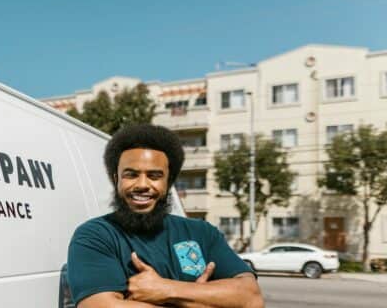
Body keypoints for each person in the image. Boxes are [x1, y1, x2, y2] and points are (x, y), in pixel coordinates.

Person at [67, 124, 264, 308]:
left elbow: (252, 298)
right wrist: (203, 298)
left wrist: (165, 289)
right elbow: (100, 305)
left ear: (168, 182)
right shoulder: (95, 235)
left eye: (154, 176)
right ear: (116, 179)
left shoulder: (202, 233)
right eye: (131, 174)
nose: (142, 184)